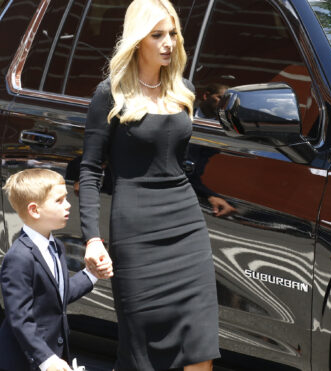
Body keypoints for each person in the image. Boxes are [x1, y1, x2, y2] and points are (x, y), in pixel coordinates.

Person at [79, 0, 221, 370]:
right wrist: (92, 237)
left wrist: (211, 195)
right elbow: (91, 170)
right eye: (157, 34)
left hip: (187, 229)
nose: (168, 42)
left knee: (200, 348)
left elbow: (176, 161)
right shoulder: (110, 94)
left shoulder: (183, 90)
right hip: (136, 231)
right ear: (137, 39)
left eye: (172, 33)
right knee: (143, 354)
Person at [0, 169, 111, 371]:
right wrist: (46, 359)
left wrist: (91, 275)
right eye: (59, 200)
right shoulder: (19, 257)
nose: (68, 204)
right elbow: (19, 318)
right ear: (35, 210)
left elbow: (57, 295)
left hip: (50, 355)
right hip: (20, 363)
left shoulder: (57, 247)